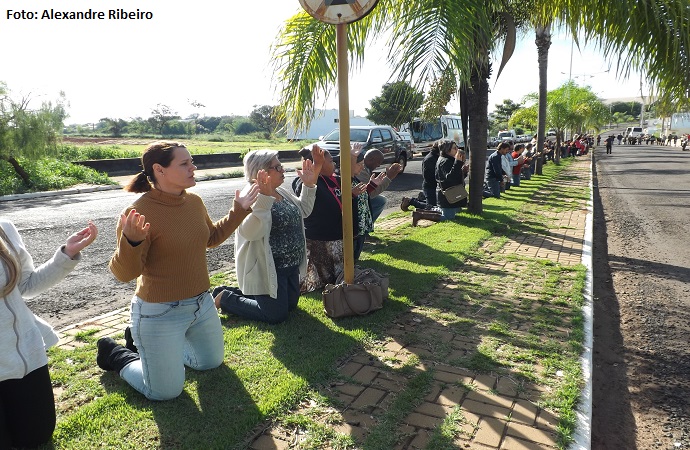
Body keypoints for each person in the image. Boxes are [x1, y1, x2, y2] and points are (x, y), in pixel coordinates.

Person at [97, 141, 258, 401]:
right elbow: (124, 273)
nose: (193, 167)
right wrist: (132, 242)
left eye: (191, 162)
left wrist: (239, 210)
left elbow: (211, 237)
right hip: (159, 312)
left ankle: (148, 348)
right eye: (185, 163)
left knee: (209, 362)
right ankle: (115, 354)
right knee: (164, 392)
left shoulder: (193, 202)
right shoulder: (137, 213)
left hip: (202, 305)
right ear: (159, 170)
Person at [1, 219, 98, 449]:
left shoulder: (5, 228)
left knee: (37, 436)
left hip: (27, 359)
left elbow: (26, 285)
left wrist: (66, 255)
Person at [214, 147, 323, 324]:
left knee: (290, 306)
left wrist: (309, 185)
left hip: (290, 265)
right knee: (276, 315)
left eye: (281, 166)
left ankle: (230, 291)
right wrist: (264, 199)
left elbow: (303, 210)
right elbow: (250, 232)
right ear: (261, 172)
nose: (283, 170)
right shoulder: (250, 195)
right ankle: (225, 298)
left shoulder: (280, 191)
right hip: (268, 268)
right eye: (277, 167)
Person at [292, 146, 350, 292]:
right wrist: (315, 168)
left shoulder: (332, 180)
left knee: (335, 277)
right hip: (318, 240)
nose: (334, 164)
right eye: (331, 161)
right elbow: (305, 194)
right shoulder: (306, 182)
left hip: (335, 237)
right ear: (320, 164)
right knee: (317, 282)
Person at [357, 149, 403, 223]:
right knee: (380, 201)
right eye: (378, 162)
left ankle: (367, 225)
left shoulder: (366, 168)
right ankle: (365, 227)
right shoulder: (361, 170)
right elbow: (370, 194)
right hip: (355, 200)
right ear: (371, 159)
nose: (378, 165)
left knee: (380, 200)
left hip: (359, 197)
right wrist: (388, 178)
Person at [435, 139, 469, 220]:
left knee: (453, 214)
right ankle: (420, 215)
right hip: (447, 195)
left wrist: (463, 172)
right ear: (447, 150)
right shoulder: (445, 161)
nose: (457, 150)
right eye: (454, 148)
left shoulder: (449, 160)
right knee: (448, 218)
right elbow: (450, 178)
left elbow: (456, 178)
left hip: (454, 194)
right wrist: (458, 162)